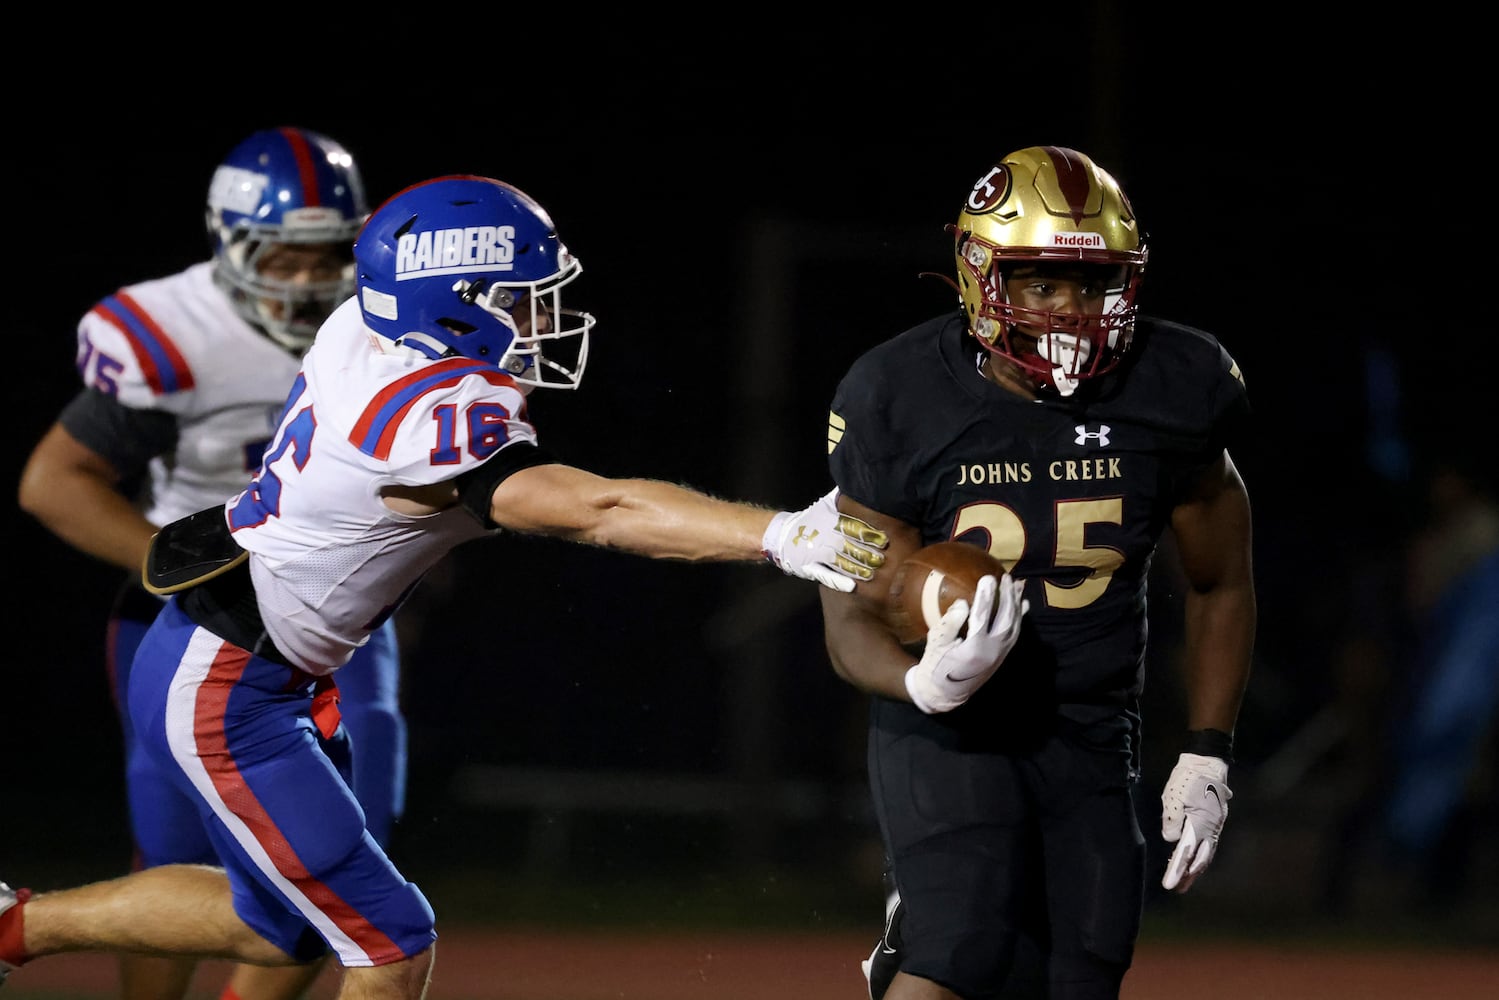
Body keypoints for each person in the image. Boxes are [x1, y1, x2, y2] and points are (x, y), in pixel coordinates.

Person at [0, 173, 889, 999]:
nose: (547, 319)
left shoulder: (365, 325)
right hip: (230, 682)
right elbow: (597, 508)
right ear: (457, 303)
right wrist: (777, 533)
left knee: (278, 929)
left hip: (247, 652)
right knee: (393, 939)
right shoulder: (423, 415)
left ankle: (15, 925)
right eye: (524, 299)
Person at [816, 146, 1256, 999]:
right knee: (961, 948)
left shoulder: (1178, 384)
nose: (1071, 312)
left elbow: (1218, 582)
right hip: (951, 726)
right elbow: (850, 616)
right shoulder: (898, 392)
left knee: (1083, 969)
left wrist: (1207, 754)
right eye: (1042, 284)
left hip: (1091, 726)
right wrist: (921, 684)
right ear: (982, 277)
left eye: (1093, 286)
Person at [16, 126, 408, 1000]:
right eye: (283, 255)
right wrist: (181, 563)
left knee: (346, 853)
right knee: (174, 837)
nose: (307, 282)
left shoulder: (393, 320)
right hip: (190, 613)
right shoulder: (174, 332)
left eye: (325, 256)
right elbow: (54, 482)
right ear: (232, 244)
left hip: (333, 613)